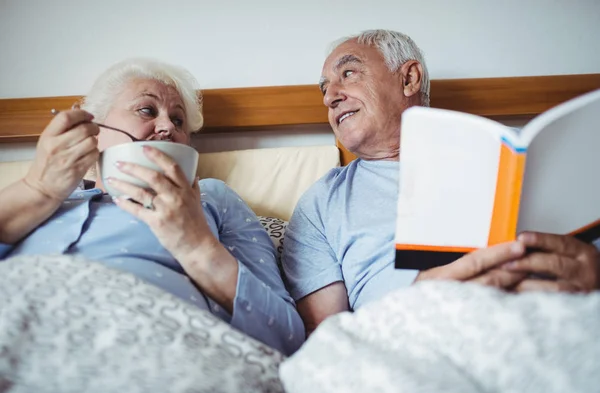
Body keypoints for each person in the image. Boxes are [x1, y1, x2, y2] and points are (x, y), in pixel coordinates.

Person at [281, 29, 599, 336]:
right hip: (415, 340)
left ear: (409, 78)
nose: (330, 98)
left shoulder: (520, 153)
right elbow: (326, 336)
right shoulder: (321, 203)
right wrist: (426, 298)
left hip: (552, 319)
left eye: (348, 73)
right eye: (324, 88)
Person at [0, 58, 304, 355]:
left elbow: (286, 336)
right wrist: (37, 189)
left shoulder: (212, 198)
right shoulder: (39, 195)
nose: (166, 127)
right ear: (93, 126)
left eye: (178, 120)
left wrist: (196, 245)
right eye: (147, 110)